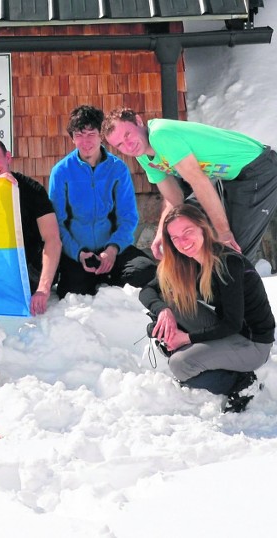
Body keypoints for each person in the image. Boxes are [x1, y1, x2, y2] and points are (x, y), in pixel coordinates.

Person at [139, 204, 275, 412]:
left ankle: (243, 384)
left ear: (203, 227)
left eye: (188, 232)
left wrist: (186, 339)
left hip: (252, 343)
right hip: (228, 330)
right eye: (175, 238)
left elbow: (231, 323)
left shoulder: (228, 263)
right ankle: (193, 349)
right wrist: (163, 312)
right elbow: (147, 291)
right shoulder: (185, 261)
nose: (183, 243)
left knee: (180, 365)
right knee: (172, 300)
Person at [102, 107, 277, 261]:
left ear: (139, 121)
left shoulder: (161, 134)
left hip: (258, 169)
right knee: (189, 219)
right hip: (230, 177)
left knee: (234, 249)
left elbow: (199, 182)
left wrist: (223, 232)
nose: (128, 146)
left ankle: (241, 294)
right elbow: (174, 198)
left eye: (128, 135)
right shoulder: (143, 156)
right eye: (120, 145)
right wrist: (162, 233)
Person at [49, 105, 156, 298]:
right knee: (72, 292)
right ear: (72, 138)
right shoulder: (61, 172)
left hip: (112, 249)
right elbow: (57, 223)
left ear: (101, 136)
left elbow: (128, 217)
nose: (85, 141)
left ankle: (108, 275)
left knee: (145, 271)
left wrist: (113, 249)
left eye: (91, 134)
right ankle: (96, 277)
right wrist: (78, 252)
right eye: (79, 135)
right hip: (78, 253)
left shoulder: (118, 169)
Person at [0, 138, 62, 315]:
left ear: (8, 157)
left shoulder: (32, 190)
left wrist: (43, 290)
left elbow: (53, 240)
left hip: (27, 270)